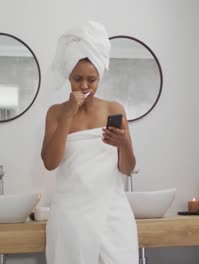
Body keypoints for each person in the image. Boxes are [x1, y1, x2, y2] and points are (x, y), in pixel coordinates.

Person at [41, 21, 138, 264]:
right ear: (69, 77)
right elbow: (50, 163)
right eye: (77, 79)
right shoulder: (55, 113)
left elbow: (126, 169)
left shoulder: (114, 109)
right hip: (70, 216)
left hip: (112, 214)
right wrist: (67, 116)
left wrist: (124, 144)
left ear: (100, 77)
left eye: (91, 80)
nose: (84, 86)